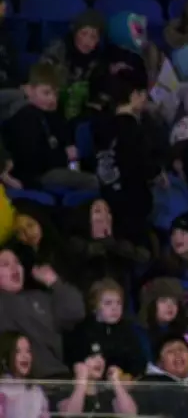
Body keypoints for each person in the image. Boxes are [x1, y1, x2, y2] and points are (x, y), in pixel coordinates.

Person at [94, 69, 164, 247]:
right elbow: (142, 164)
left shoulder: (102, 125)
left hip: (109, 195)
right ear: (134, 95)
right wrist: (157, 173)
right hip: (133, 201)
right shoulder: (133, 130)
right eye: (143, 94)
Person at [1, 63, 98, 190]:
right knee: (92, 182)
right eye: (46, 93)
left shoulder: (50, 114)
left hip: (56, 166)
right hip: (37, 176)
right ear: (29, 90)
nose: (52, 99)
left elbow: (64, 140)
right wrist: (65, 156)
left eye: (55, 94)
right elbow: (33, 161)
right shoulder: (25, 117)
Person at [0, 242, 85, 378]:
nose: (14, 267)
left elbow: (75, 313)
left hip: (56, 376)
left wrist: (54, 282)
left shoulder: (40, 297)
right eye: (5, 264)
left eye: (17, 262)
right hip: (17, 381)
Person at [67, 278, 145, 377]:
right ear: (95, 306)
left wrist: (123, 374)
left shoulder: (127, 331)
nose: (115, 308)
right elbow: (74, 361)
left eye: (119, 303)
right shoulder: (81, 331)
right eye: (108, 303)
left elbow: (139, 363)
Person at [56, 343, 138, 416]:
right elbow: (70, 416)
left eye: (102, 357)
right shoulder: (65, 390)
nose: (100, 361)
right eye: (93, 357)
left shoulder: (109, 392)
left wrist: (116, 382)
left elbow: (130, 414)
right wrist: (81, 380)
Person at [0, 331, 49, 418]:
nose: (25, 356)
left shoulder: (36, 391)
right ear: (6, 356)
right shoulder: (2, 390)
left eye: (28, 351)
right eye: (18, 351)